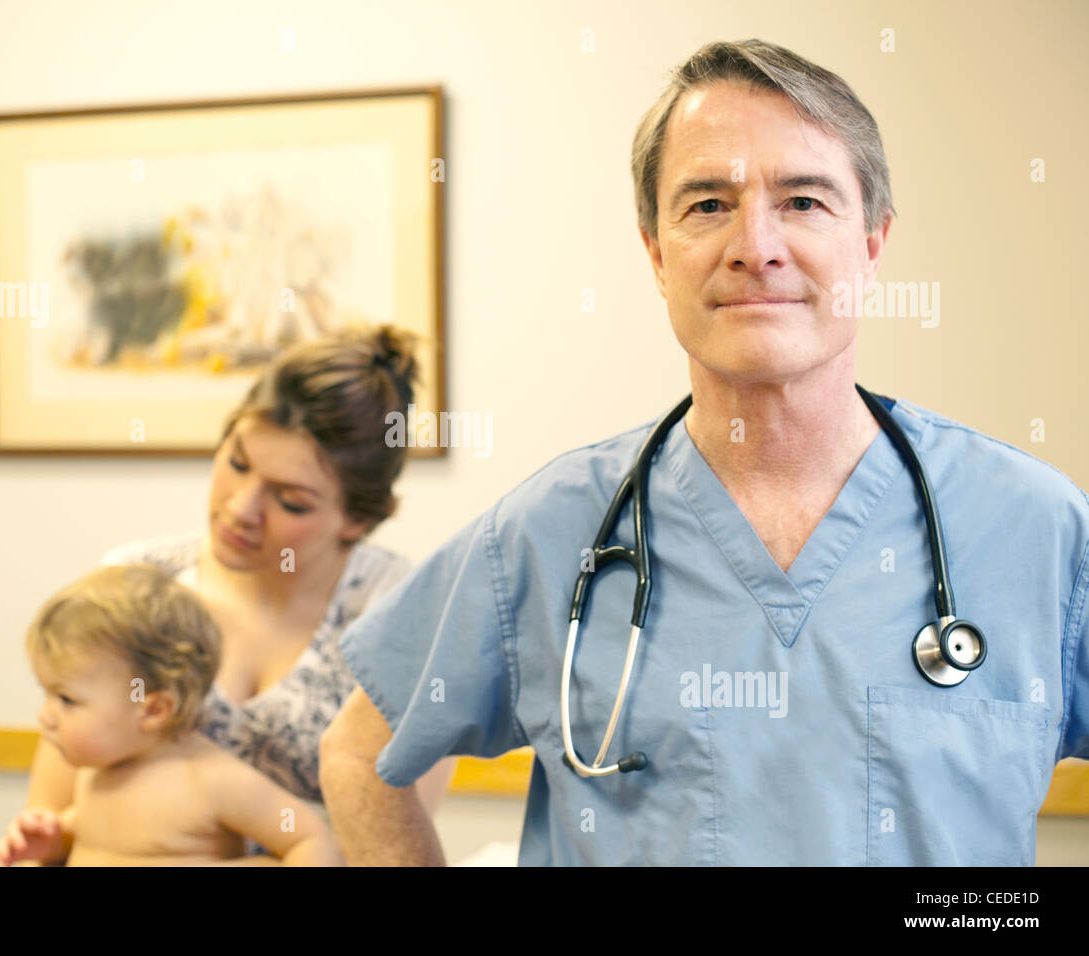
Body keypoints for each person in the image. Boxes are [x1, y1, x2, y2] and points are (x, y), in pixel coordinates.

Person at [320, 39, 1089, 865]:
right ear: (656, 252)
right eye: (708, 205)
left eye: (803, 202)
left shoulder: (1034, 526)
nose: (754, 246)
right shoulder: (549, 533)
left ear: (872, 244)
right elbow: (359, 755)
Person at [23, 325, 457, 864]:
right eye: (237, 463)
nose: (240, 509)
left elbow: (388, 849)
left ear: (358, 519)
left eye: (290, 501)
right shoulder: (132, 589)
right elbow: (48, 825)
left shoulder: (400, 616)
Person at [0, 564, 342, 866]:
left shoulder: (209, 779)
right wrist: (54, 839)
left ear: (152, 710)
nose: (45, 716)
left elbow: (312, 840)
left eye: (66, 699)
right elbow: (95, 836)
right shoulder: (96, 775)